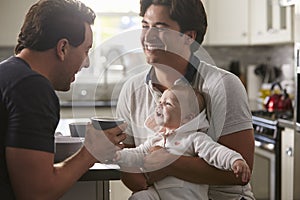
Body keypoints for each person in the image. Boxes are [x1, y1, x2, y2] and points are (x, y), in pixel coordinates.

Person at [116, 0, 255, 199]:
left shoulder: (223, 85)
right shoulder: (132, 90)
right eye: (145, 26)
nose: (148, 36)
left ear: (189, 37)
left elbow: (239, 173)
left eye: (160, 28)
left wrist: (167, 163)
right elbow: (131, 170)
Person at [0, 0, 126, 199]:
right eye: (86, 50)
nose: (87, 63)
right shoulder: (32, 88)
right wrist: (91, 152)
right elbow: (36, 193)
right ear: (63, 48)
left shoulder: (8, 73)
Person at [115, 85, 251, 200]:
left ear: (187, 117)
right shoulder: (156, 139)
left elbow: (215, 152)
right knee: (139, 197)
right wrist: (118, 155)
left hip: (187, 196)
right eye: (159, 102)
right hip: (157, 195)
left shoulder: (194, 138)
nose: (160, 105)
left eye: (167, 104)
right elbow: (137, 153)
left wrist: (235, 160)